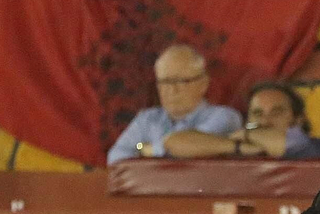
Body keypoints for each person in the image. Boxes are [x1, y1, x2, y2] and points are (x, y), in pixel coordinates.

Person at [105, 44, 245, 163]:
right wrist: (145, 148)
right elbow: (116, 159)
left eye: (180, 81)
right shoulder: (146, 119)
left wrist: (144, 149)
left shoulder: (224, 117)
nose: (172, 90)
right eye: (165, 82)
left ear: (203, 84)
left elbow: (182, 147)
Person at [239, 81, 320, 158]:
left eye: (276, 113)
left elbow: (296, 145)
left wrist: (242, 137)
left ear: (298, 120)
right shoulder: (237, 151)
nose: (265, 122)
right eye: (258, 114)